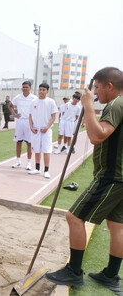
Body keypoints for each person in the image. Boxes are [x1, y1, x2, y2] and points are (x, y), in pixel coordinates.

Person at [45, 67, 123, 294]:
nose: (95, 92)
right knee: (116, 226)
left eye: (97, 87)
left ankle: (74, 270)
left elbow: (97, 136)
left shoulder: (117, 103)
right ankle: (110, 275)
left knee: (74, 218)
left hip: (112, 176)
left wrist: (88, 105)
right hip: (119, 175)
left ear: (109, 85)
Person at [27, 83, 58, 178]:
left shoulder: (51, 102)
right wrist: (31, 127)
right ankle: (37, 168)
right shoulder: (33, 102)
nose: (41, 91)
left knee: (46, 150)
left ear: (47, 91)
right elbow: (30, 116)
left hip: (46, 130)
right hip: (36, 130)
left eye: (43, 90)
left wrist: (47, 127)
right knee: (36, 149)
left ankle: (46, 170)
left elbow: (53, 116)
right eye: (40, 89)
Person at [9, 81, 38, 170]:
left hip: (29, 122)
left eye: (26, 87)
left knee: (29, 143)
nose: (24, 89)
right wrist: (14, 114)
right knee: (18, 141)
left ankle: (28, 163)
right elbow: (10, 106)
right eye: (23, 87)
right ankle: (18, 161)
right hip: (20, 121)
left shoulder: (34, 98)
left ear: (30, 88)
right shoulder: (18, 97)